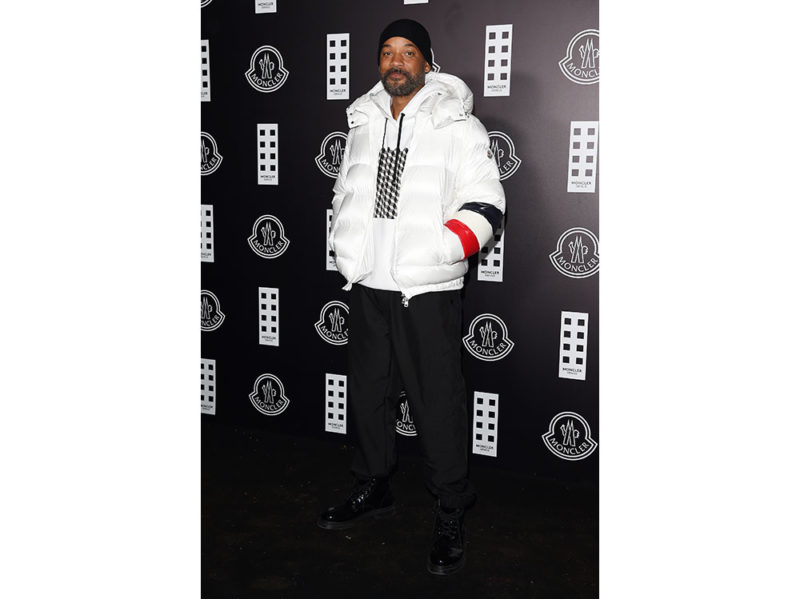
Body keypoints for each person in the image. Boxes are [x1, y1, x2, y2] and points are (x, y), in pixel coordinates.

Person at [318, 18, 506, 576]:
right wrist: (345, 245)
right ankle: (374, 486)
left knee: (438, 403)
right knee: (369, 397)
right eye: (387, 53)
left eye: (408, 53)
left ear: (428, 62)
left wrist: (438, 254)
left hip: (424, 290)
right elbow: (346, 193)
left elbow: (487, 205)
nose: (396, 62)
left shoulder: (458, 125)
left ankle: (450, 508)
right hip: (369, 285)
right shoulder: (362, 121)